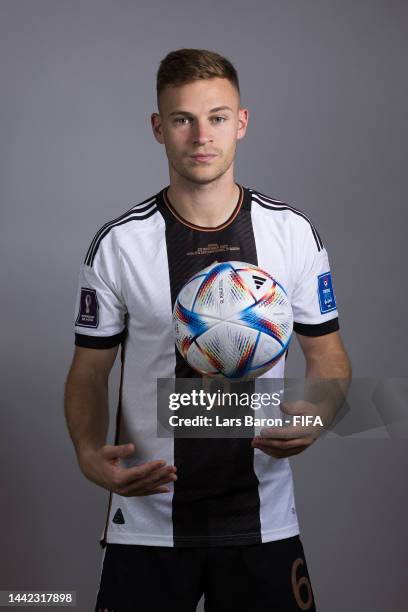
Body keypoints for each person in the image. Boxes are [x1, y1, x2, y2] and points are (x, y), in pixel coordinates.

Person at [64, 48, 351, 612]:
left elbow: (330, 360)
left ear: (240, 123)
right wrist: (86, 452)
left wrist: (317, 417)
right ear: (158, 128)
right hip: (148, 520)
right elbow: (87, 372)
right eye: (182, 119)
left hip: (262, 517)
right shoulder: (119, 245)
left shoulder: (292, 235)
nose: (201, 135)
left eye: (217, 117)